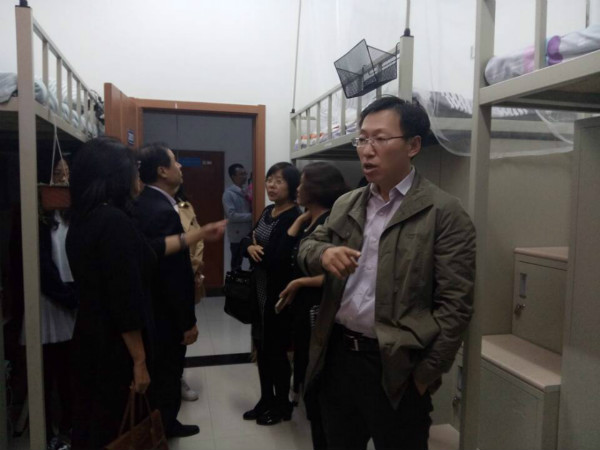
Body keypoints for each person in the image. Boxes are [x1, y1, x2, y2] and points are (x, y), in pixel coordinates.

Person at [298, 96, 476, 450]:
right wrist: (325, 253)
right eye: (362, 139)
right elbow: (306, 248)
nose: (367, 150)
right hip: (337, 357)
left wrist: (424, 376)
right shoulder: (347, 203)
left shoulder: (444, 213)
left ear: (413, 146)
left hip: (396, 369)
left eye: (380, 139)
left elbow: (456, 306)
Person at [66, 137, 153, 450]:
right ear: (115, 176)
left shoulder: (83, 218)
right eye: (134, 170)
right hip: (114, 346)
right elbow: (124, 299)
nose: (137, 177)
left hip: (89, 335)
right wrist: (139, 360)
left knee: (92, 421)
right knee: (116, 427)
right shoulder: (113, 222)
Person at [136, 142, 225, 438]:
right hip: (165, 313)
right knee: (167, 371)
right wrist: (187, 321)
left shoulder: (146, 203)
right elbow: (172, 275)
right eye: (175, 162)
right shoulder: (161, 210)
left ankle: (162, 425)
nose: (180, 166)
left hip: (153, 308)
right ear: (162, 171)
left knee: (163, 370)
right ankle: (165, 428)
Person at [277, 162, 348, 450]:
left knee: (317, 371)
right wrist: (298, 222)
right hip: (303, 306)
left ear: (317, 188)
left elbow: (341, 273)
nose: (297, 188)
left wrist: (301, 282)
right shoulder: (310, 219)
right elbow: (285, 254)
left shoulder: (331, 222)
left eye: (302, 182)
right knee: (306, 363)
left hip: (318, 306)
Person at [240, 162, 301, 426]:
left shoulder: (293, 217)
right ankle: (266, 399)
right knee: (262, 349)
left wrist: (255, 251)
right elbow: (248, 238)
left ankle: (282, 404)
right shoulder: (268, 211)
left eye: (279, 181)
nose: (271, 185)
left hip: (278, 296)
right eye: (269, 180)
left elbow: (277, 259)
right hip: (259, 291)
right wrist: (249, 248)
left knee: (276, 352)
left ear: (293, 186)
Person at [37, 158, 77, 450]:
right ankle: (49, 432)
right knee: (48, 373)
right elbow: (42, 267)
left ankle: (69, 427)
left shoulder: (73, 215)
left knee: (69, 373)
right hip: (50, 303)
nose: (63, 179)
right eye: (57, 173)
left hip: (73, 299)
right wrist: (66, 296)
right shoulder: (39, 219)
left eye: (67, 173)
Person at [175, 186, 205, 402]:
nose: (180, 170)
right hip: (168, 278)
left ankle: (178, 377)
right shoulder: (146, 204)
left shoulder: (184, 204)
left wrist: (194, 269)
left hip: (188, 275)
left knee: (183, 332)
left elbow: (198, 239)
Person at [222, 163, 252, 270]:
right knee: (236, 265)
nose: (245, 176)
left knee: (254, 262)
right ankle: (234, 281)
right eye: (241, 174)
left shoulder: (246, 191)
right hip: (236, 236)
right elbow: (231, 216)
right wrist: (253, 216)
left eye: (245, 174)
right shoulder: (228, 194)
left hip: (249, 233)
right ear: (233, 176)